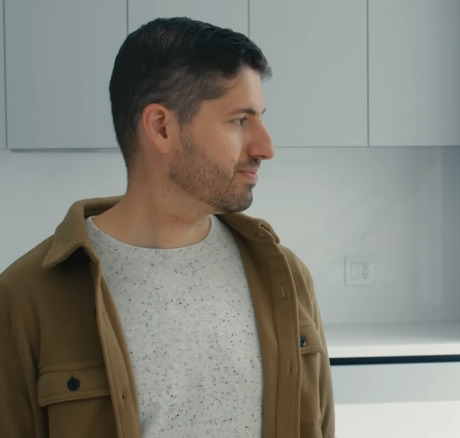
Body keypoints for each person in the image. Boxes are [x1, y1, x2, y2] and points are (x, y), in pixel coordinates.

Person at [0, 17, 335, 438]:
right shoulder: (26, 299)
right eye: (239, 121)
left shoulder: (286, 277)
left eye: (261, 118)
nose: (266, 147)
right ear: (161, 127)